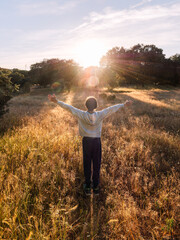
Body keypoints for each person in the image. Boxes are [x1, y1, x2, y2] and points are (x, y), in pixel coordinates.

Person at [48, 94, 133, 195]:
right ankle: (96, 187)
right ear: (96, 105)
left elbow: (69, 108)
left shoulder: (81, 114)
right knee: (97, 163)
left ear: (86, 105)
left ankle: (88, 186)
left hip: (86, 141)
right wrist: (123, 104)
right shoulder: (100, 114)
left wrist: (56, 101)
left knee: (87, 163)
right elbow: (111, 109)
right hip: (97, 141)